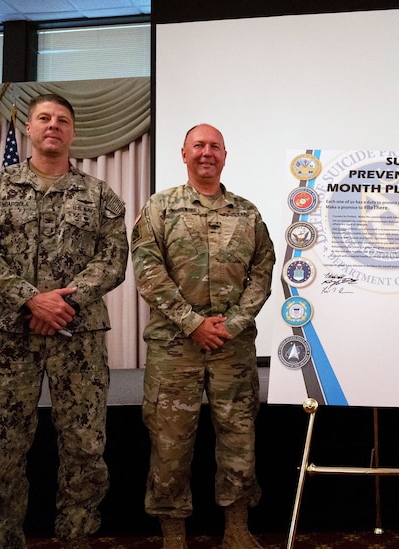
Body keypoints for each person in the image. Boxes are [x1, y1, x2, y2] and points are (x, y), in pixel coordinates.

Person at [0, 93, 129, 549]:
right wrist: (32, 301)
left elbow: (112, 262)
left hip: (79, 337)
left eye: (62, 120)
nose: (53, 126)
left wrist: (61, 306)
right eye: (43, 118)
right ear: (29, 129)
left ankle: (76, 538)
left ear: (73, 133)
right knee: (1, 453)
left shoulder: (101, 197)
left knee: (84, 449)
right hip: (7, 339)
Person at [131, 123, 275, 549]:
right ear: (184, 153)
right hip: (175, 349)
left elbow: (263, 272)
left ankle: (236, 528)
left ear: (225, 155)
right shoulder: (159, 207)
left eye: (214, 146)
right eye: (199, 145)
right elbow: (147, 270)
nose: (206, 152)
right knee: (170, 443)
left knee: (239, 439)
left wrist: (231, 323)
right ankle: (173, 534)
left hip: (232, 349)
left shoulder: (247, 213)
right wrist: (191, 322)